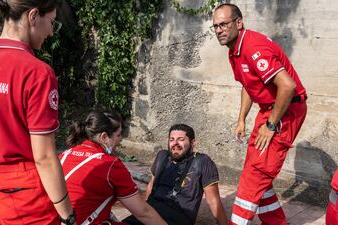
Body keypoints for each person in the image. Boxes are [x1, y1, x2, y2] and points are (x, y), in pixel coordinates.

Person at [0, 0, 75, 224]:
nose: (51, 32)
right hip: (26, 195)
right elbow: (44, 157)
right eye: (51, 22)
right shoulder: (37, 72)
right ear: (32, 16)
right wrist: (67, 215)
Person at [211, 3, 307, 225]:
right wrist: (241, 119)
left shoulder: (253, 48)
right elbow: (248, 84)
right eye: (215, 26)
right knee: (255, 170)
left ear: (238, 23)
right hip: (270, 110)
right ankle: (275, 222)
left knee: (255, 175)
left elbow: (287, 86)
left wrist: (271, 125)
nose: (219, 30)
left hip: (286, 110)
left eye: (223, 24)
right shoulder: (235, 50)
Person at [59, 110, 167, 225]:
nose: (121, 140)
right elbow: (143, 212)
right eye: (119, 134)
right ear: (104, 137)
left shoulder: (64, 155)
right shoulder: (110, 165)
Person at [123, 124, 228, 225]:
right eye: (171, 139)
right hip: (151, 212)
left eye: (181, 139)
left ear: (193, 143)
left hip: (178, 217)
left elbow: (214, 201)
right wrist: (145, 208)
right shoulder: (162, 156)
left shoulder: (202, 161)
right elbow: (152, 184)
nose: (175, 143)